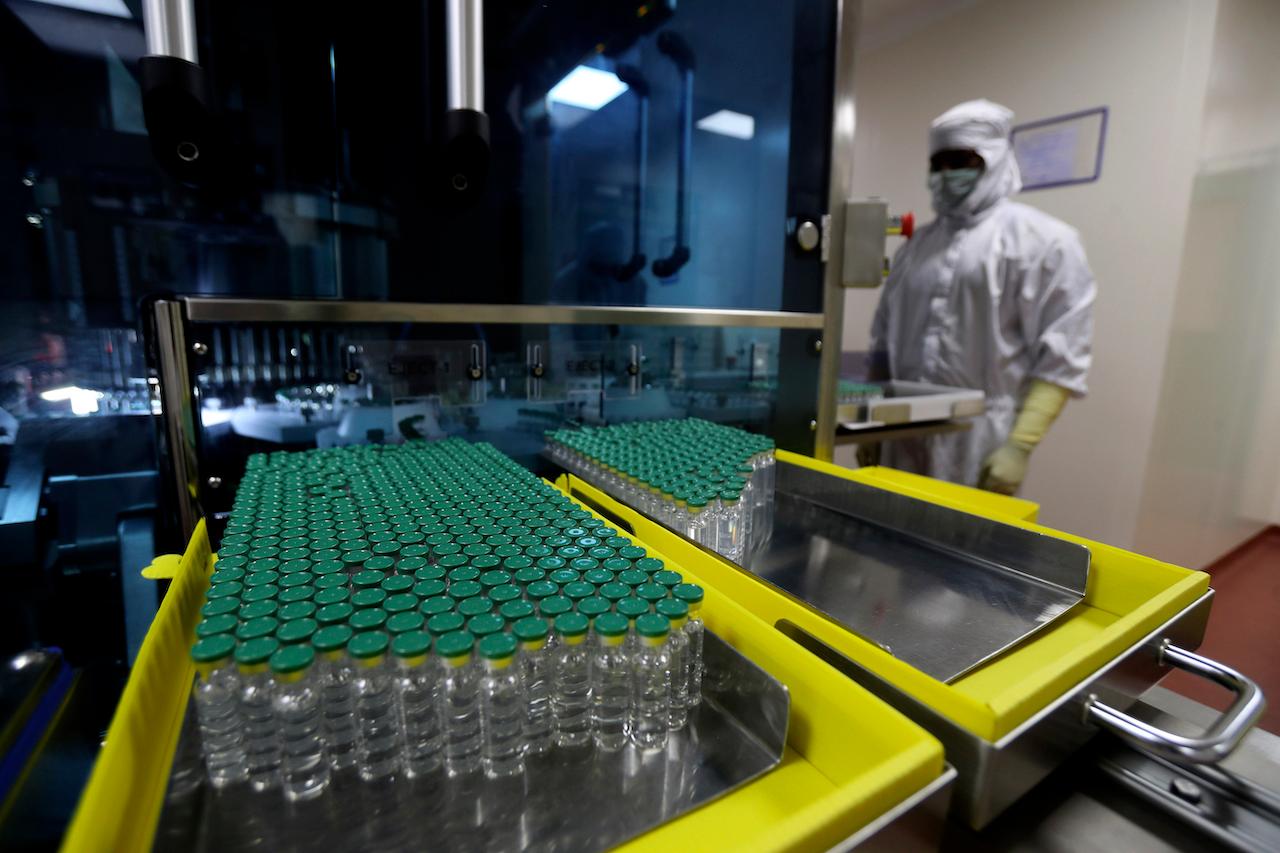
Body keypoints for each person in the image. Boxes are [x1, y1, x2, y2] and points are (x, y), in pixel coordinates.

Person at [859, 99, 1095, 494]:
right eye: (939, 163)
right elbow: (881, 346)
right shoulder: (914, 250)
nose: (948, 174)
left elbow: (1061, 360)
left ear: (996, 160)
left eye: (962, 160)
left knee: (966, 547)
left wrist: (1019, 448)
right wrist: (869, 424)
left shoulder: (1045, 242)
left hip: (981, 441)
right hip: (898, 433)